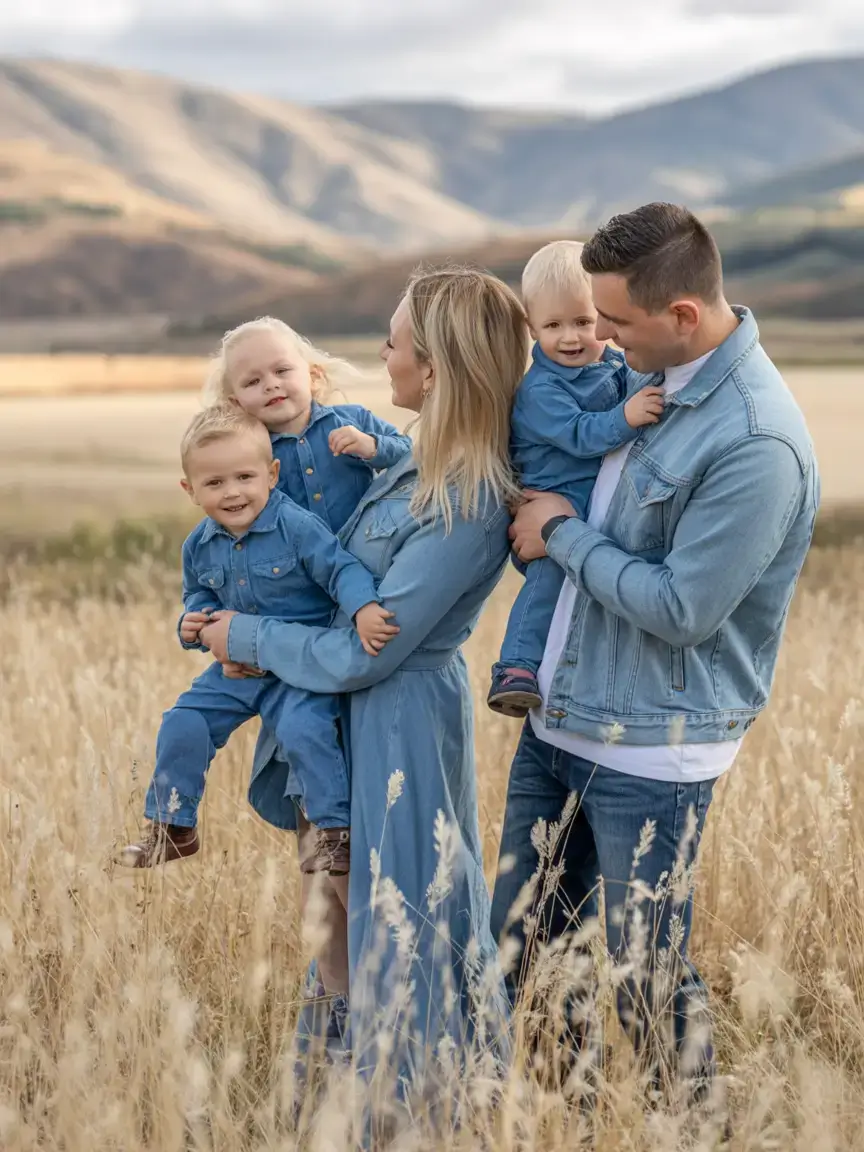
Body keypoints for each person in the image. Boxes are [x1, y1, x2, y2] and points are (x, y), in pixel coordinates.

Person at [491, 203, 819, 1103]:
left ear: (681, 315)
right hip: (561, 718)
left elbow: (682, 609)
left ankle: (696, 1125)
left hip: (652, 747)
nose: (601, 341)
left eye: (617, 325)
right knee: (526, 952)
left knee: (646, 978)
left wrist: (558, 533)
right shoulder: (648, 375)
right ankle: (572, 1119)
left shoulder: (756, 441)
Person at [198, 268, 529, 1092]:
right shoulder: (412, 459)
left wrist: (247, 634)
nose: (380, 357)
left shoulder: (468, 496)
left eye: (395, 343)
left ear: (438, 367)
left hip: (402, 723)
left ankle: (421, 1104)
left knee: (406, 915)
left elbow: (366, 651)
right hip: (341, 722)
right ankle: (342, 1095)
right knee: (337, 914)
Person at [119, 405, 395, 874]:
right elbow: (199, 592)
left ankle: (334, 833)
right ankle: (173, 826)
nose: (232, 493)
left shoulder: (296, 527)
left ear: (272, 474)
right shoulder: (199, 544)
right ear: (190, 491)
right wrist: (192, 624)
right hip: (238, 670)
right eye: (215, 483)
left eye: (245, 477)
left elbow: (340, 568)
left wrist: (364, 609)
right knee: (183, 721)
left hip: (297, 665)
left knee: (302, 731)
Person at [487, 240, 665, 717]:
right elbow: (581, 435)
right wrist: (627, 416)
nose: (571, 337)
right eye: (553, 325)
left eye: (584, 322)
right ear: (531, 327)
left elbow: (636, 380)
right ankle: (515, 668)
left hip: (588, 512)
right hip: (551, 504)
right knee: (547, 582)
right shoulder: (541, 390)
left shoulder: (608, 363)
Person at [203, 315, 413, 535]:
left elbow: (410, 454)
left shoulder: (354, 420)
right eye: (253, 382)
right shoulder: (247, 452)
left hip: (366, 549)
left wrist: (372, 446)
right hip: (296, 565)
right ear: (237, 403)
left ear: (313, 377)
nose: (271, 384)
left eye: (281, 371)